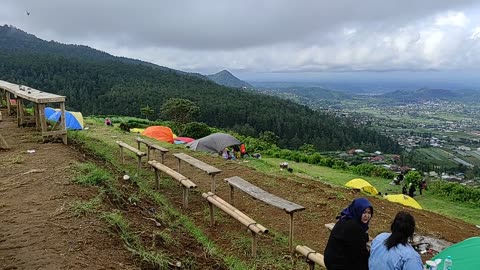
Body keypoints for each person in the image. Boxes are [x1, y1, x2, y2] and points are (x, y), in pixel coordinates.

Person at [324, 197, 373, 270]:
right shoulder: (355, 227)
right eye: (364, 212)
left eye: (369, 213)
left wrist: (365, 237)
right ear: (358, 210)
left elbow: (353, 237)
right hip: (337, 265)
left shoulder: (345, 218)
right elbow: (360, 253)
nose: (367, 216)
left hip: (331, 259)